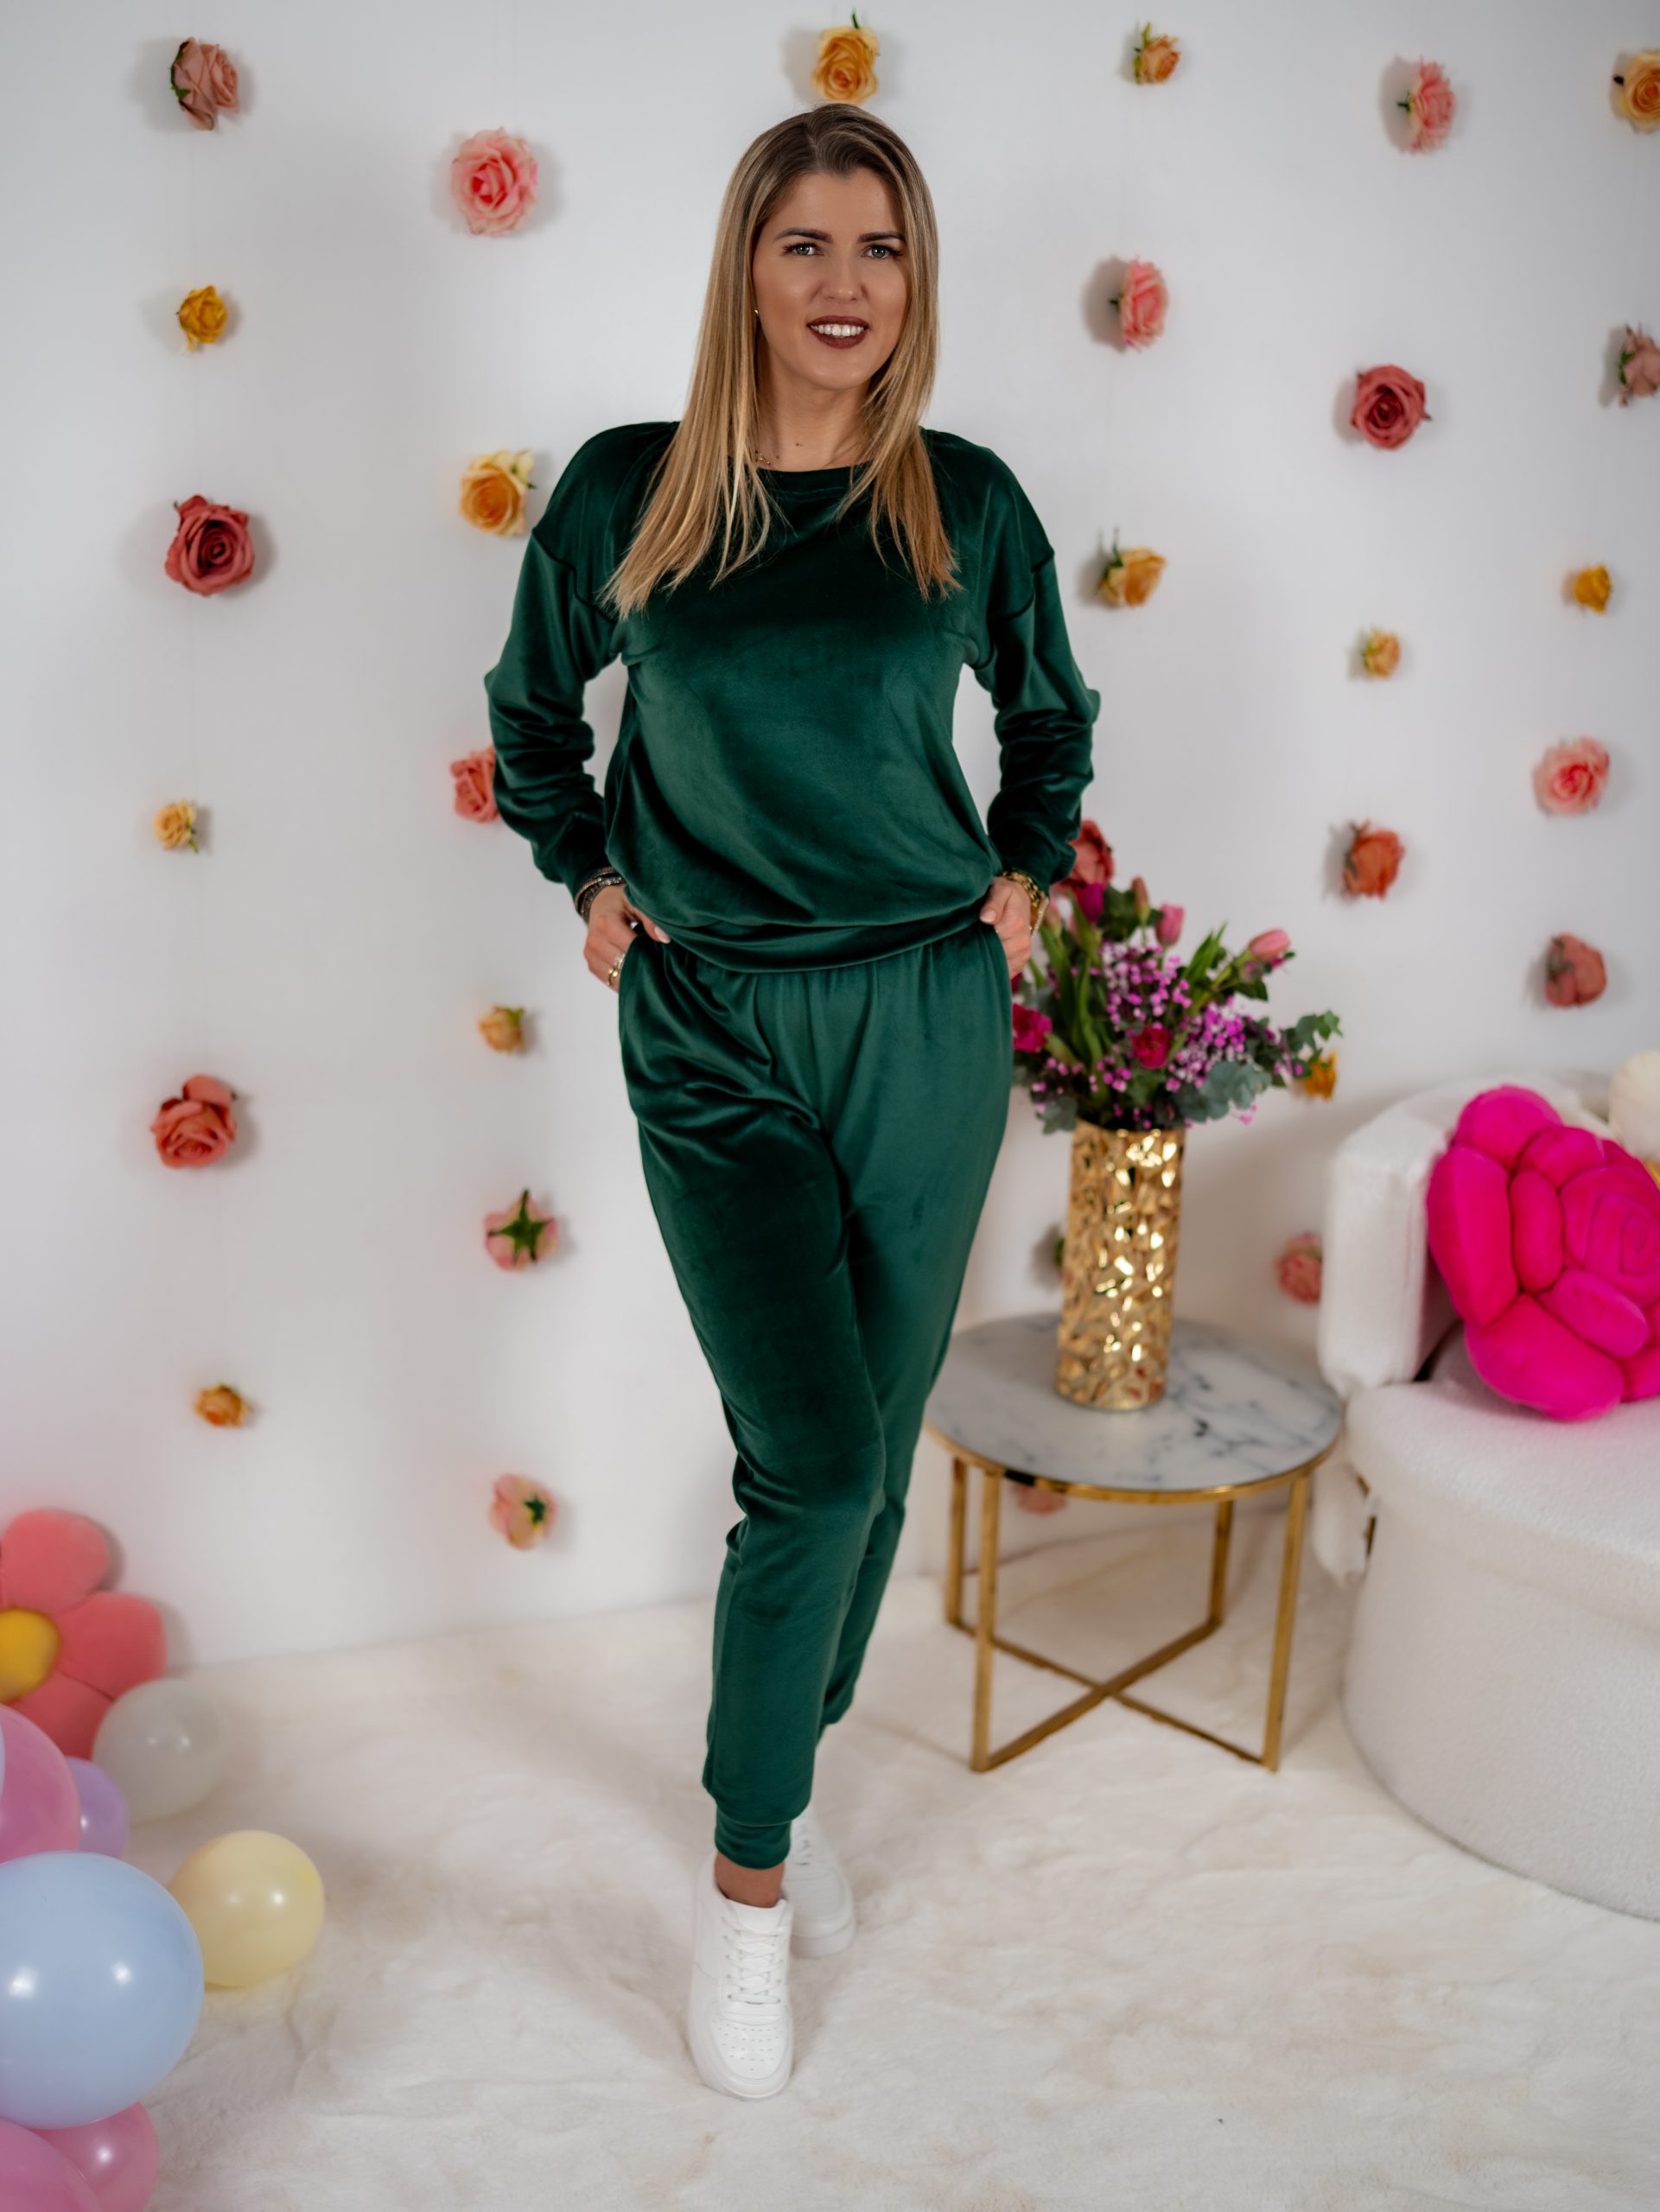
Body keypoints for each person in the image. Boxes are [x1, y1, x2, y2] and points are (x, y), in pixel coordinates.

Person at [482, 102, 1100, 2100]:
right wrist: (587, 867)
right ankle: (744, 1889)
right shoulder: (630, 490)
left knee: (876, 1454)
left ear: (915, 278)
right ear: (744, 266)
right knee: (812, 1467)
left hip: (923, 1012)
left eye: (880, 247)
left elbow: (1049, 715)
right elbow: (527, 717)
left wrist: (1025, 864)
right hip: (712, 1021)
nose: (844, 285)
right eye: (805, 243)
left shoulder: (961, 500)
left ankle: (793, 1774)